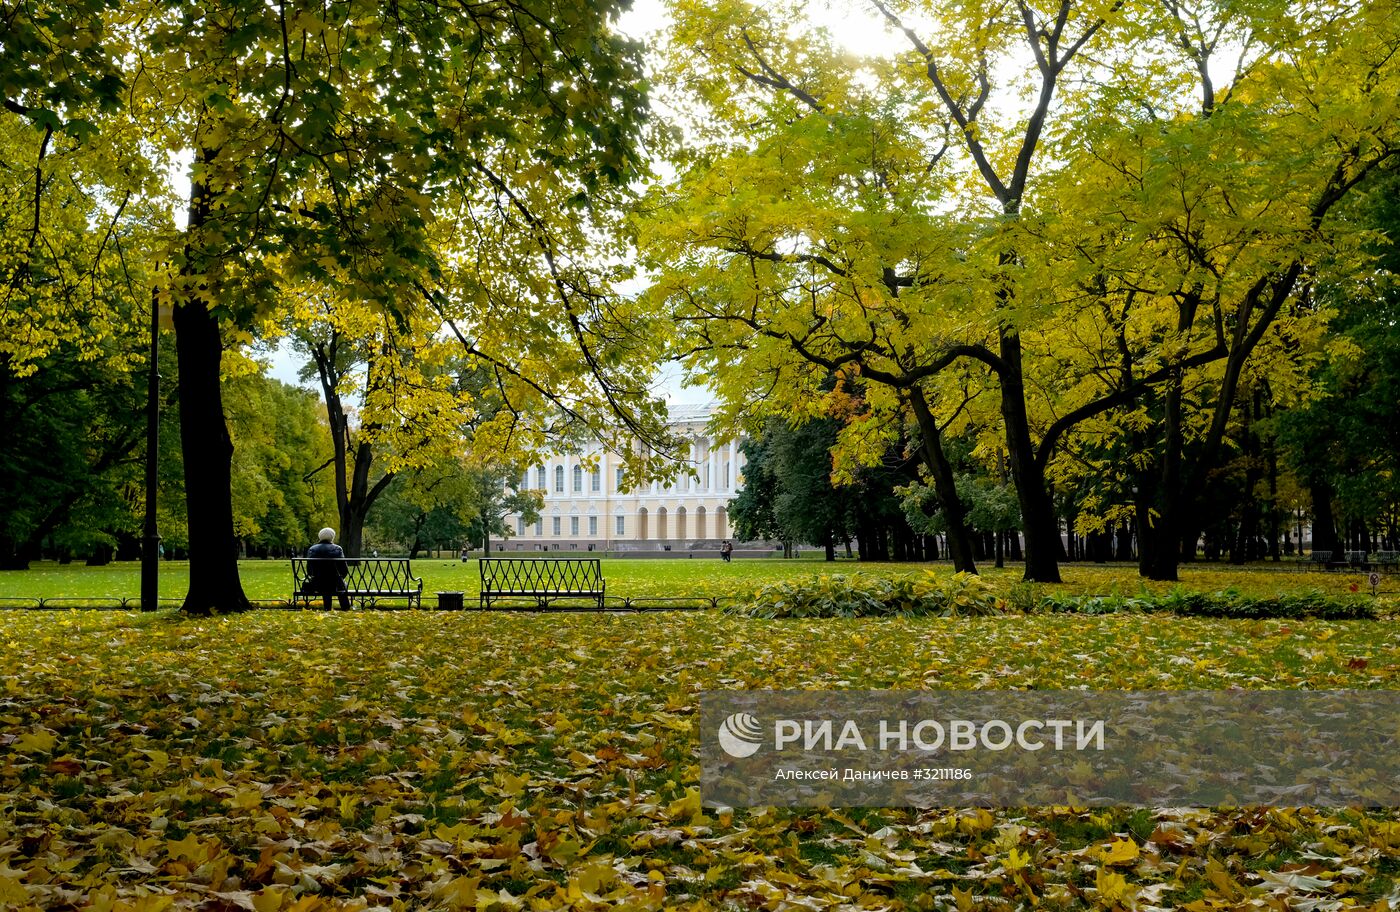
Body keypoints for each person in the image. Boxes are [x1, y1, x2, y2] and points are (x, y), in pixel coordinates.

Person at [306, 528, 351, 610]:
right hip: (335, 584)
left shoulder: (312, 549)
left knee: (327, 585)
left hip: (317, 584)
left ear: (320, 536)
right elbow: (344, 570)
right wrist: (340, 578)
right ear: (332, 537)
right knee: (341, 584)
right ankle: (346, 608)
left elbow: (309, 571)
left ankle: (327, 608)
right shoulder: (337, 548)